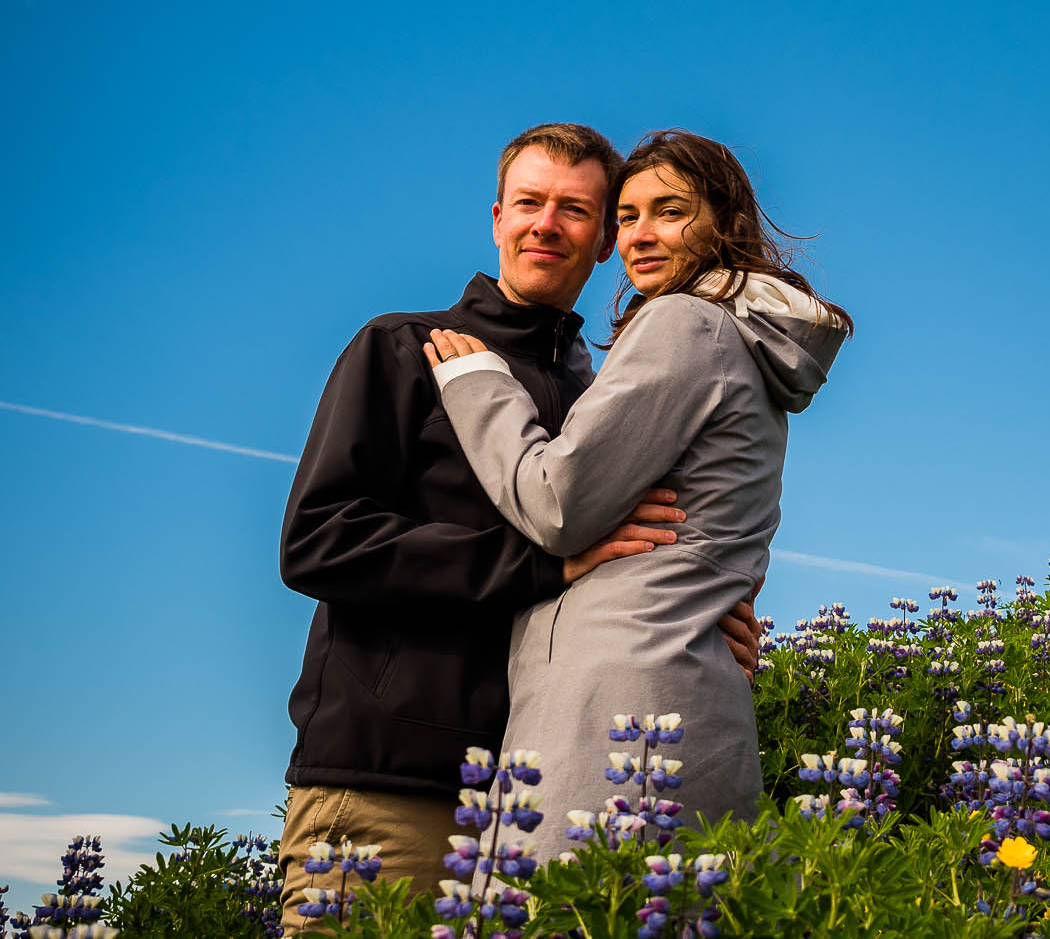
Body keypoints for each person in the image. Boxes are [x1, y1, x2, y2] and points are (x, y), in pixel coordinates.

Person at [275, 123, 760, 930]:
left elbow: (653, 543)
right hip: (388, 783)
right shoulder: (405, 347)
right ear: (497, 216)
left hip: (539, 789)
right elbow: (318, 540)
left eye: (575, 210)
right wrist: (539, 566)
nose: (547, 224)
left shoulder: (602, 391)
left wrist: (712, 619)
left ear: (604, 240)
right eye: (530, 203)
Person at [424, 129, 850, 832]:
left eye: (670, 211)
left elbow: (557, 503)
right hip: (680, 676)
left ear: (725, 223)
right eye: (626, 217)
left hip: (619, 695)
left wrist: (478, 386)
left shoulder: (685, 323)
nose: (641, 236)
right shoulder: (736, 340)